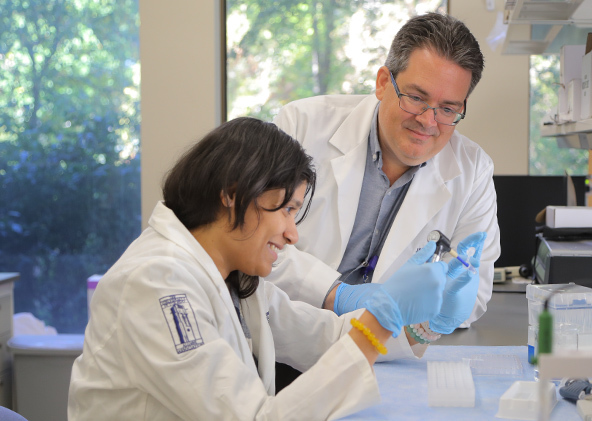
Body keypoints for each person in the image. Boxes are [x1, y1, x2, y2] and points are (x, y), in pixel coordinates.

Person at [67, 117, 469, 420]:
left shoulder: (235, 278)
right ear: (232, 195)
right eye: (288, 209)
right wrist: (382, 319)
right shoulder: (155, 284)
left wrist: (418, 325)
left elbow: (326, 337)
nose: (293, 235)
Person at [265, 12, 500, 329]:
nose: (428, 122)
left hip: (385, 351)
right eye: (416, 98)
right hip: (284, 331)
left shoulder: (473, 171)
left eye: (448, 109)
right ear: (382, 83)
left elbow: (471, 292)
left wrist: (439, 310)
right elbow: (254, 238)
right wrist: (336, 294)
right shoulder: (301, 125)